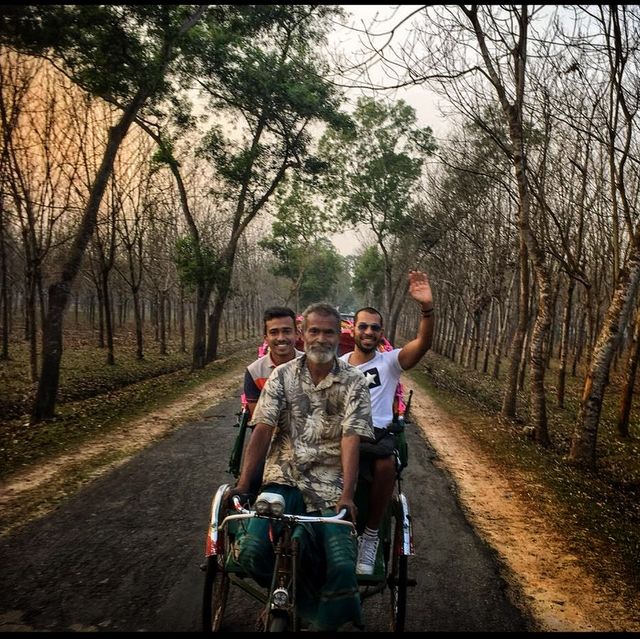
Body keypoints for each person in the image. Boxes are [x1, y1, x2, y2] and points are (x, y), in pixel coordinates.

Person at [227, 302, 374, 631]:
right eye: (314, 331)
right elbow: (262, 428)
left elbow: (351, 438)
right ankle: (300, 599)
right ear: (303, 335)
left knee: (340, 563)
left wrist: (348, 495)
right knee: (251, 553)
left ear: (339, 336)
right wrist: (243, 483)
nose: (321, 338)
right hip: (282, 478)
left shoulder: (354, 382)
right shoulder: (281, 376)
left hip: (330, 485)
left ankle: (321, 609)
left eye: (329, 332)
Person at [340, 269, 434, 575]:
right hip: (343, 436)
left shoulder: (389, 361)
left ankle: (369, 537)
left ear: (382, 333)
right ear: (352, 329)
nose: (368, 332)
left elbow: (422, 344)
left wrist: (427, 309)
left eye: (375, 328)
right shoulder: (337, 366)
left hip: (377, 437)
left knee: (386, 466)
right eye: (363, 326)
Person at [243, 306, 303, 417]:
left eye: (286, 331)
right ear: (266, 338)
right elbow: (258, 417)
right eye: (274, 332)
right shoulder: (255, 372)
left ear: (297, 334)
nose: (281, 338)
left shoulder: (313, 365)